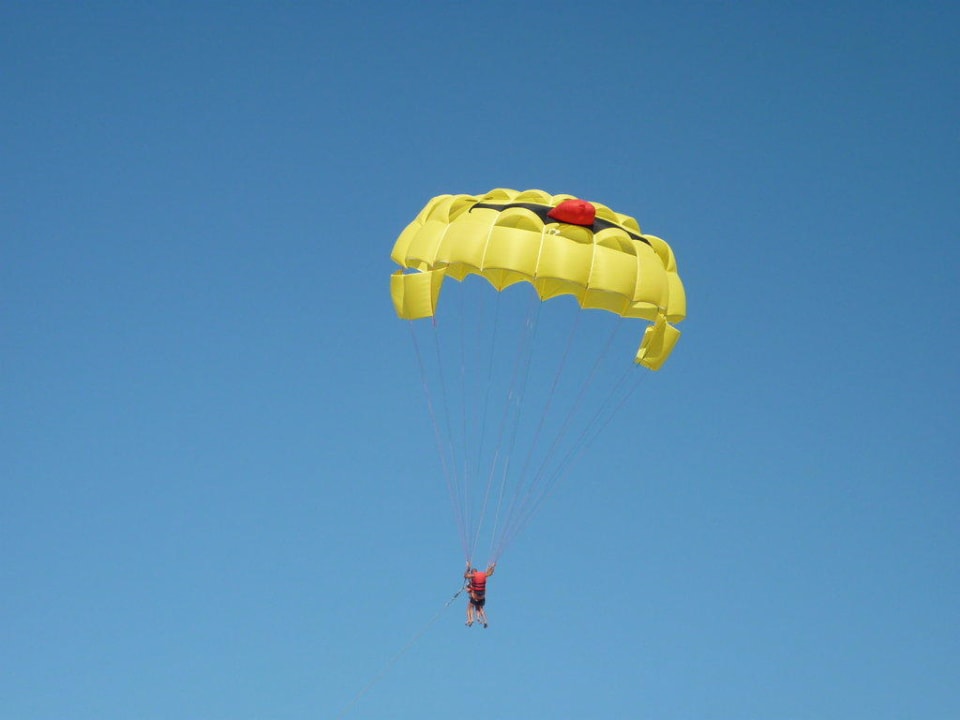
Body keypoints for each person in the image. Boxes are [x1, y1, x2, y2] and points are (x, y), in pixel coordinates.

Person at [464, 561, 496, 628]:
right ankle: (485, 620)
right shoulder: (484, 574)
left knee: (469, 607)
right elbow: (490, 573)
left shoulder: (473, 576)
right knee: (480, 608)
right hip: (482, 596)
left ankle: (471, 619)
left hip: (475, 596)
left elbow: (465, 575)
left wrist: (468, 567)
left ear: (472, 572)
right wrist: (492, 567)